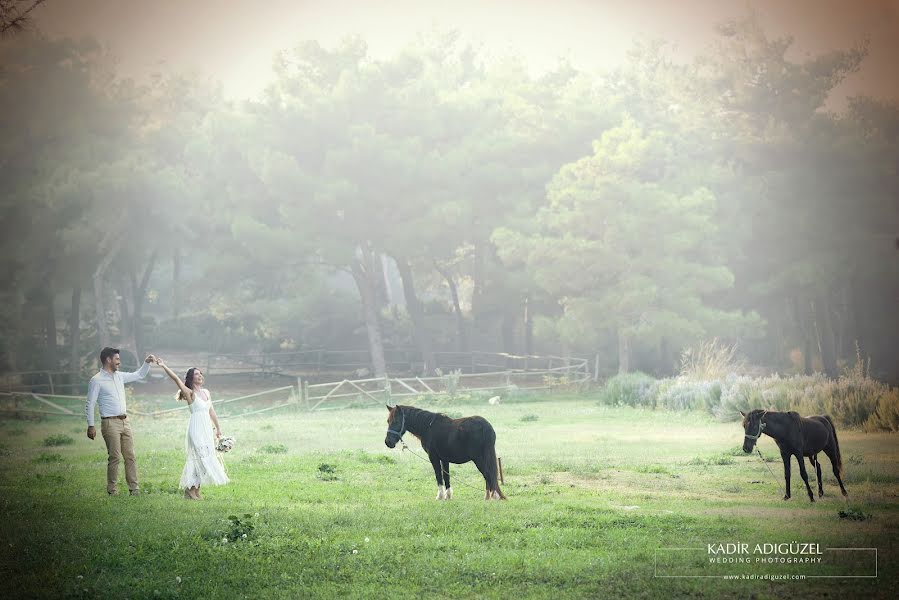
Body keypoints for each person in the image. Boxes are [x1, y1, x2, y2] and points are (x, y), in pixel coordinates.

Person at [85, 347, 156, 496]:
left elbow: (139, 375)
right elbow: (90, 403)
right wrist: (91, 425)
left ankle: (134, 489)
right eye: (117, 359)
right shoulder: (96, 380)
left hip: (125, 421)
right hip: (110, 423)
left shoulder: (119, 376)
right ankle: (112, 490)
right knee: (115, 457)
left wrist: (147, 363)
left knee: (130, 456)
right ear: (108, 360)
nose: (119, 362)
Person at [155, 358, 229, 500]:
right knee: (198, 458)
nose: (200, 376)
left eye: (201, 373)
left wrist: (218, 428)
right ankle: (189, 490)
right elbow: (176, 379)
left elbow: (211, 411)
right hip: (196, 428)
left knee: (206, 458)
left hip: (207, 428)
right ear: (191, 378)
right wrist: (163, 365)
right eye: (196, 374)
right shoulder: (189, 393)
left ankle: (196, 490)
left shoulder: (206, 392)